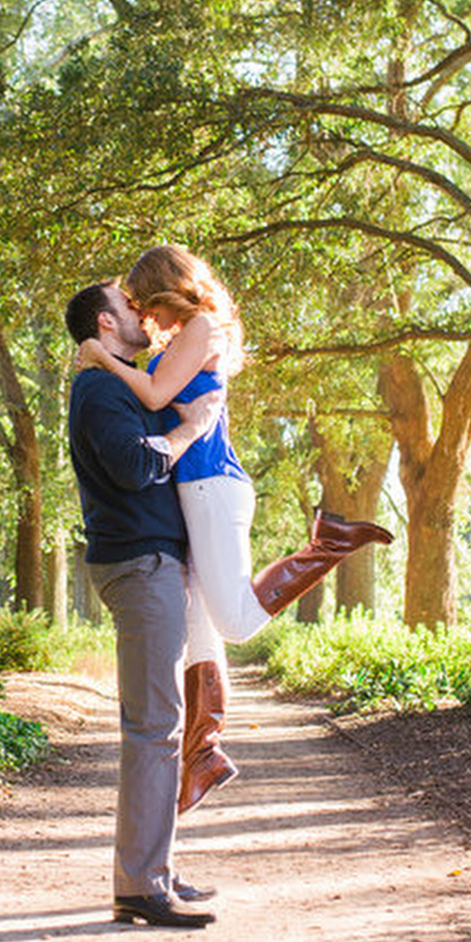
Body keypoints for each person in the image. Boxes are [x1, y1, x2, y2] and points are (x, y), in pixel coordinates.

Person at [77, 245, 392, 815]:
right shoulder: (182, 339)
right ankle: (203, 754)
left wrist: (100, 356)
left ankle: (329, 544)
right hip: (190, 492)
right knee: (202, 629)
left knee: (237, 621)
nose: (145, 315)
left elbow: (151, 395)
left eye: (146, 301)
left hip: (211, 487)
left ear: (168, 290)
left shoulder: (201, 327)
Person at [65, 279, 225, 929]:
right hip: (138, 563)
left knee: (163, 722)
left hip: (153, 561)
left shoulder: (118, 381)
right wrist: (189, 430)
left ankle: (151, 869)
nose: (140, 309)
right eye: (128, 305)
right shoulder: (99, 390)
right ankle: (140, 884)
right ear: (106, 322)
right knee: (154, 727)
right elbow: (135, 467)